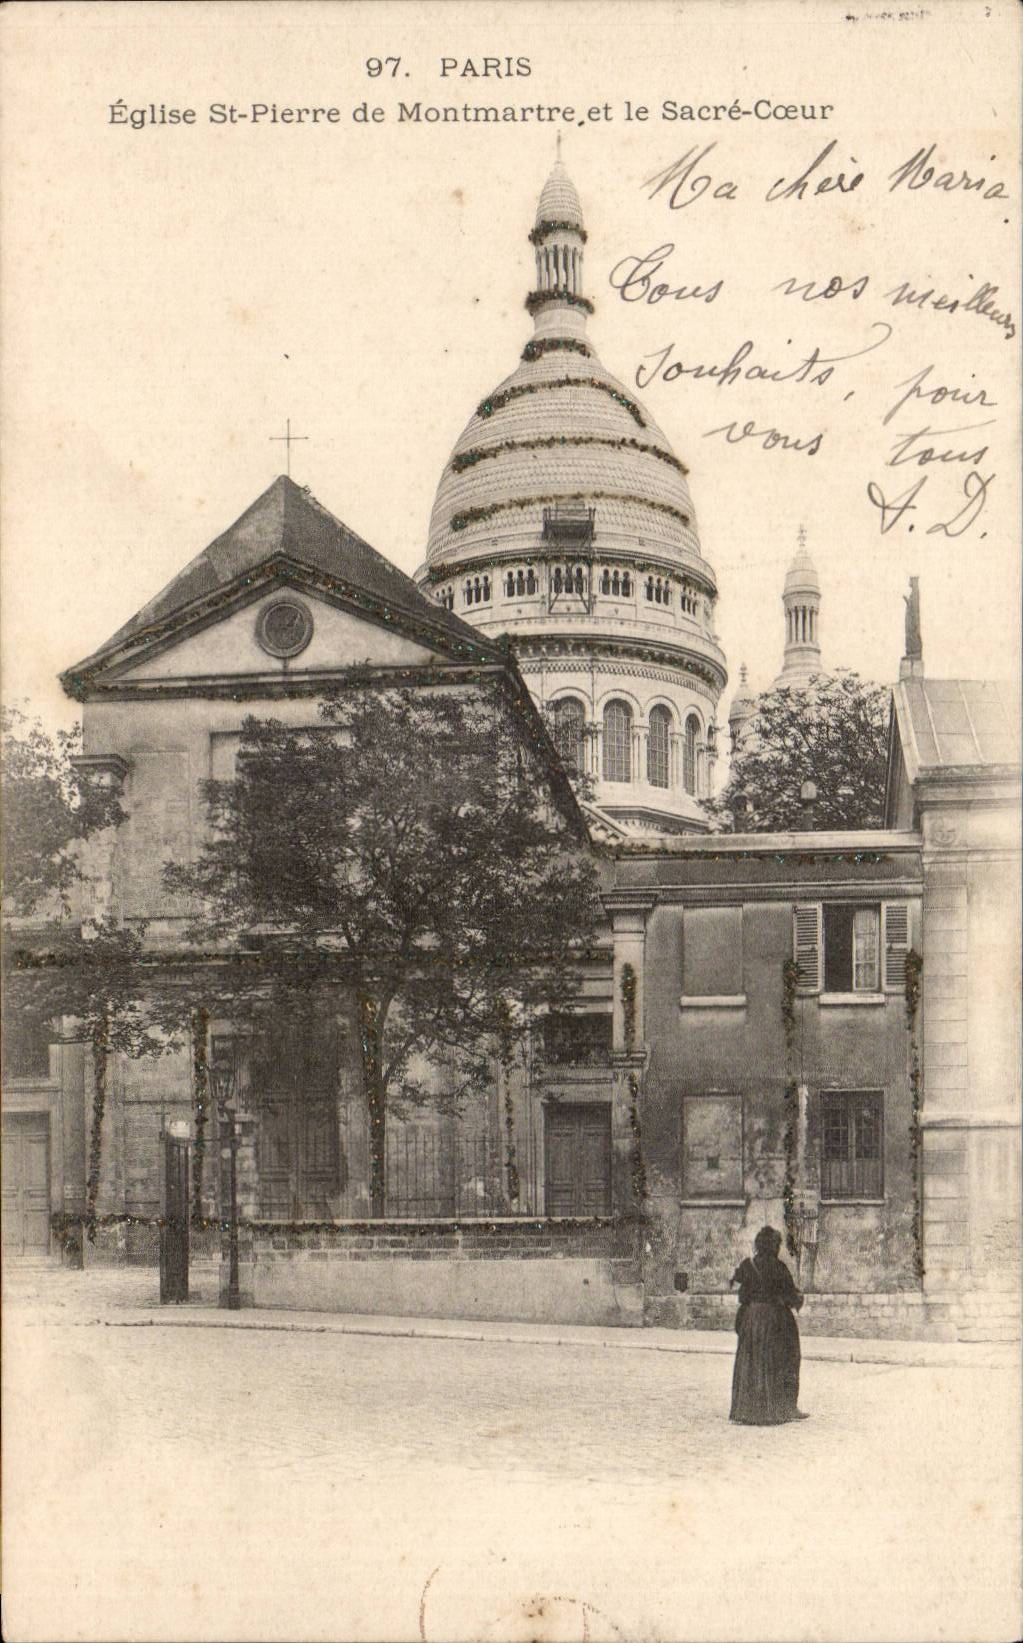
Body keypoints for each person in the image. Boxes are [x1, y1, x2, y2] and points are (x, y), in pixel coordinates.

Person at [729, 1225, 808, 1425]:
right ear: (774, 1246)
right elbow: (790, 1295)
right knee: (785, 1359)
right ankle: (785, 1407)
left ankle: (748, 1410)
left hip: (751, 1320)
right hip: (774, 1321)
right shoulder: (778, 1267)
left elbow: (742, 1294)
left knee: (751, 1363)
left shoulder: (748, 1265)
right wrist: (798, 1298)